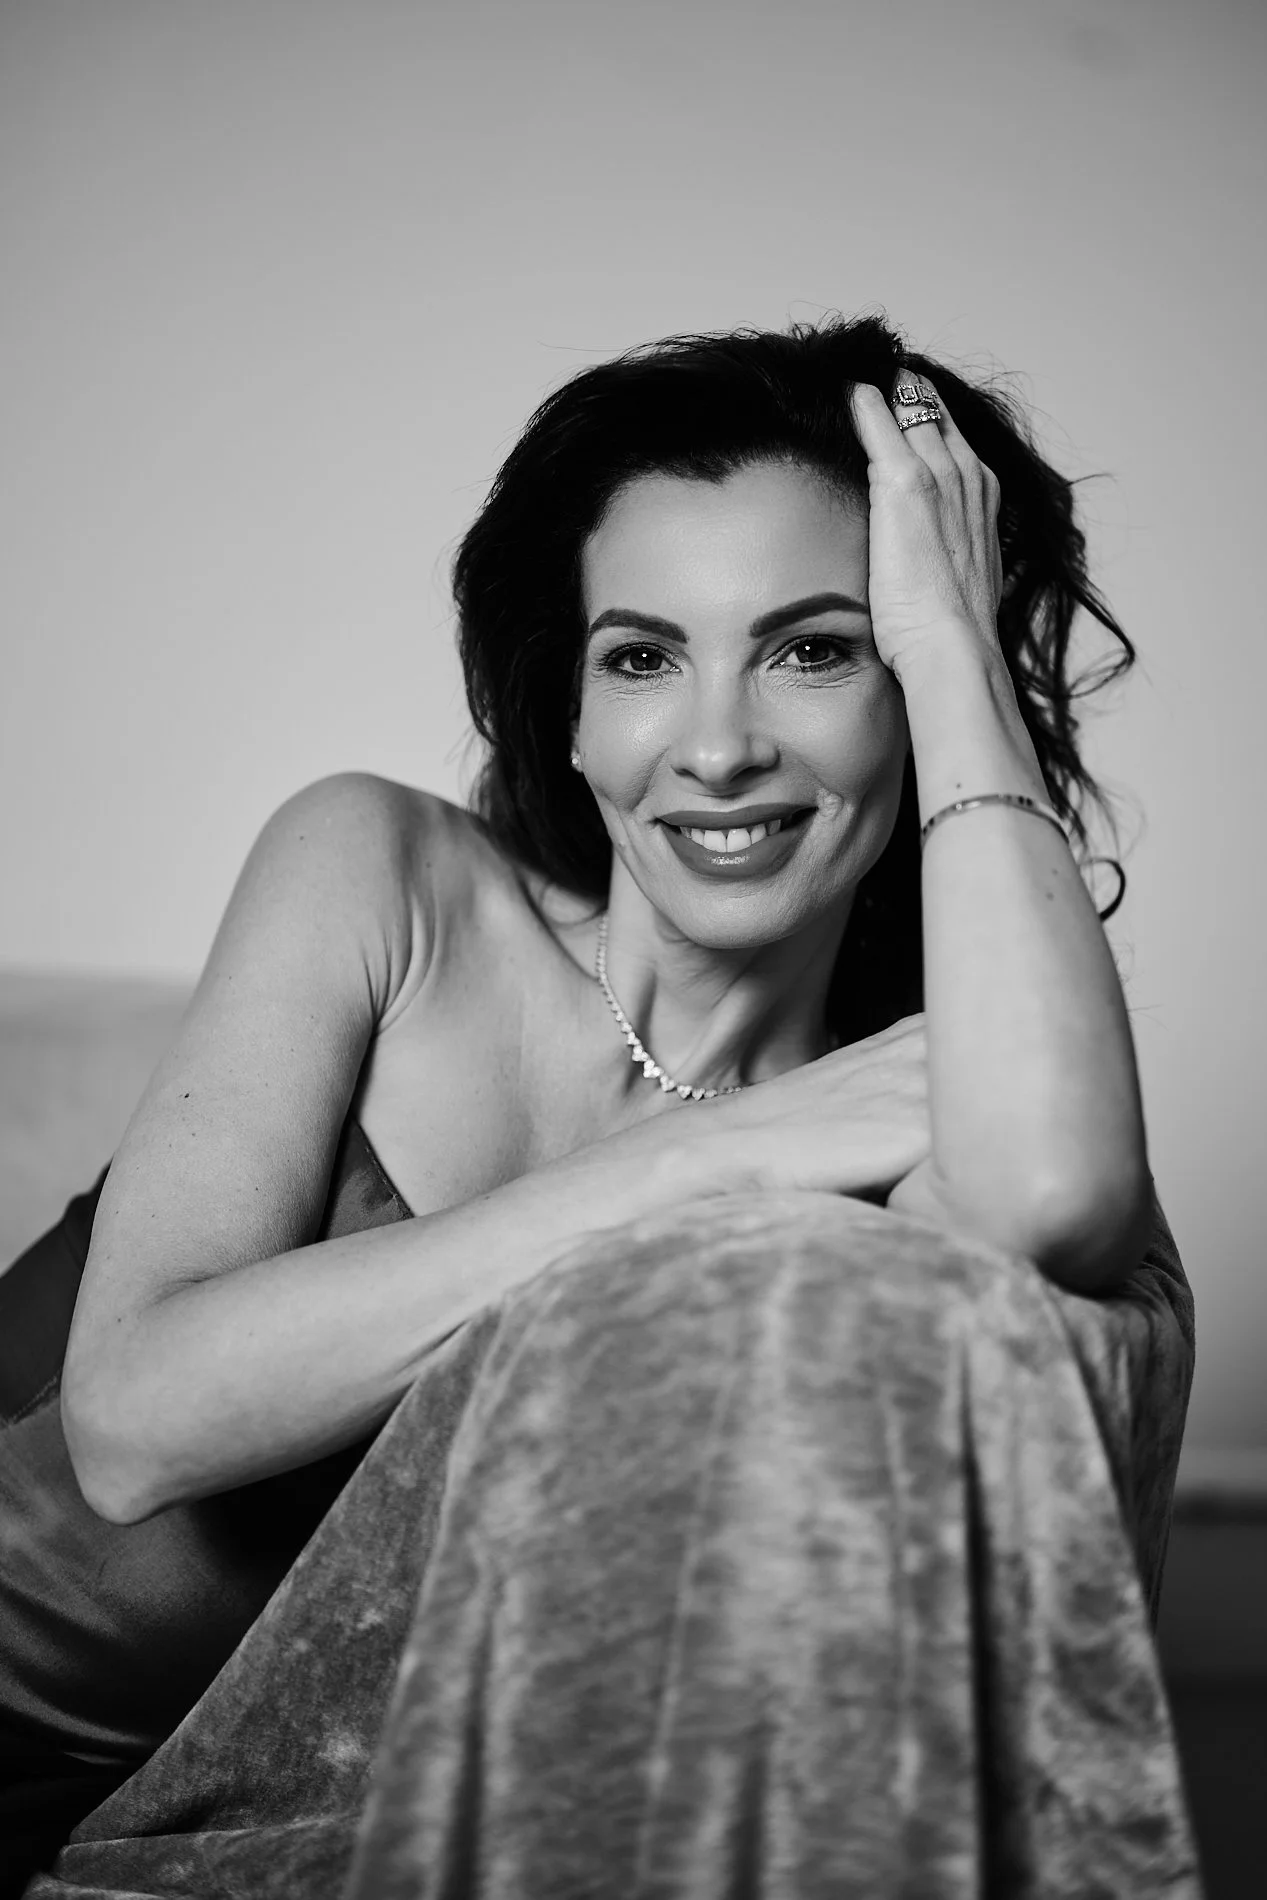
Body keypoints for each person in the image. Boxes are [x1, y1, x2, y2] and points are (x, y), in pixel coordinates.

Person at [1, 315, 1199, 1898]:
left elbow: (1053, 1201)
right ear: (565, 715)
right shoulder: (386, 879)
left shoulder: (913, 1100)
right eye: (641, 657)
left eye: (818, 648)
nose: (714, 747)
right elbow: (138, 1426)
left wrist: (959, 650)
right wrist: (713, 1153)